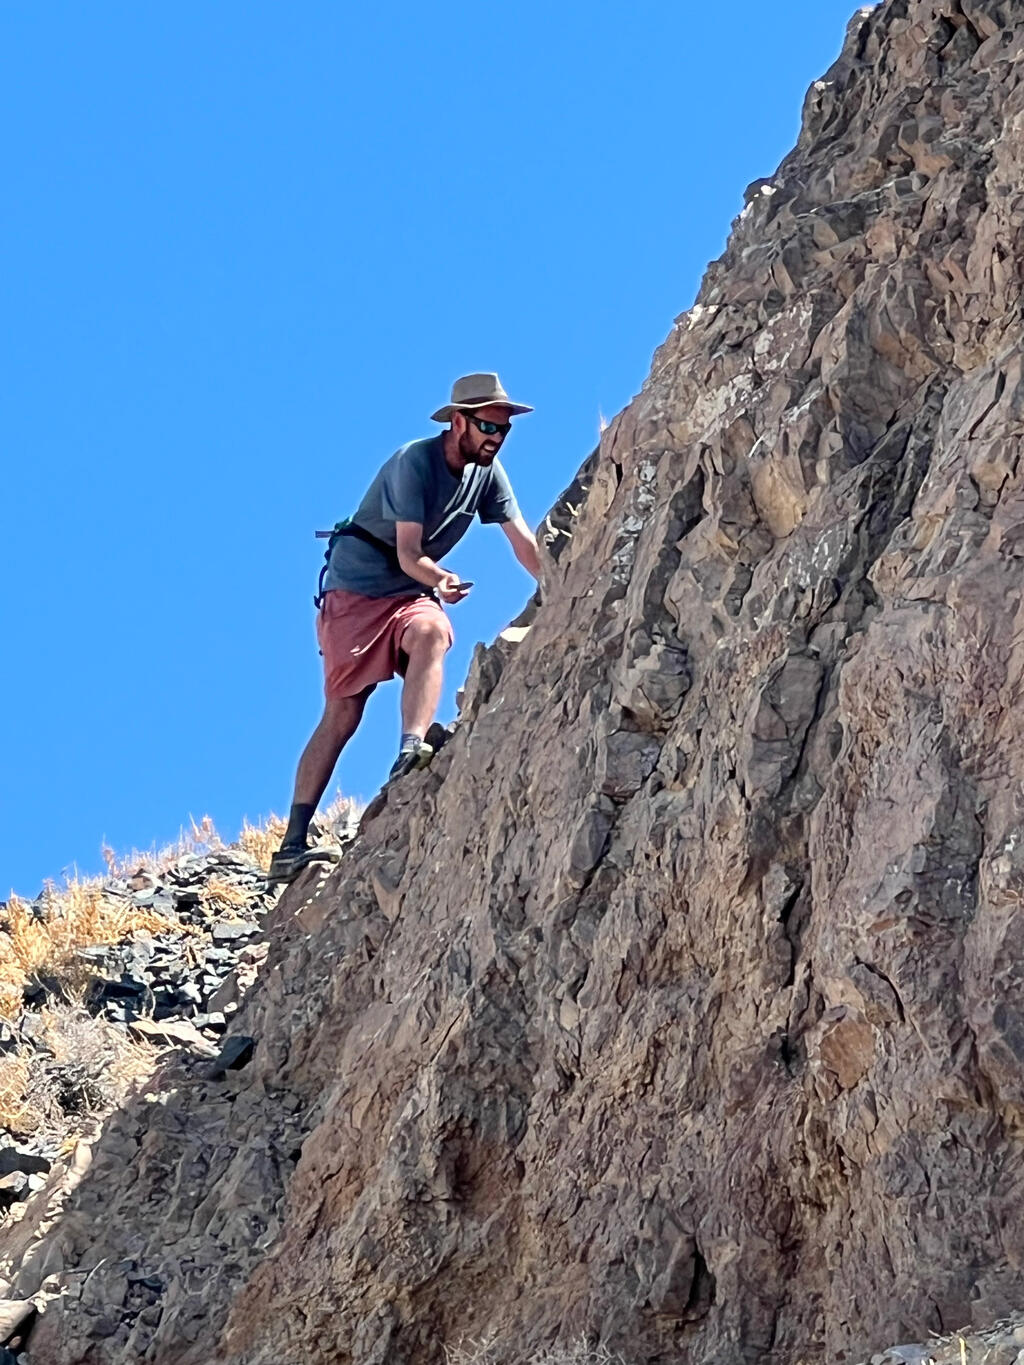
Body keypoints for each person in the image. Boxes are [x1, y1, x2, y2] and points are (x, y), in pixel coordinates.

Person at [267, 372, 541, 883]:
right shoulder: (414, 462)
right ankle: (292, 842)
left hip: (410, 592)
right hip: (358, 586)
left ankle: (409, 750)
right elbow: (409, 554)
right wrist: (442, 578)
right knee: (344, 712)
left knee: (432, 632)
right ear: (458, 421)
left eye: (504, 430)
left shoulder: (489, 473)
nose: (495, 438)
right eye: (487, 426)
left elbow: (521, 538)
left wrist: (559, 580)